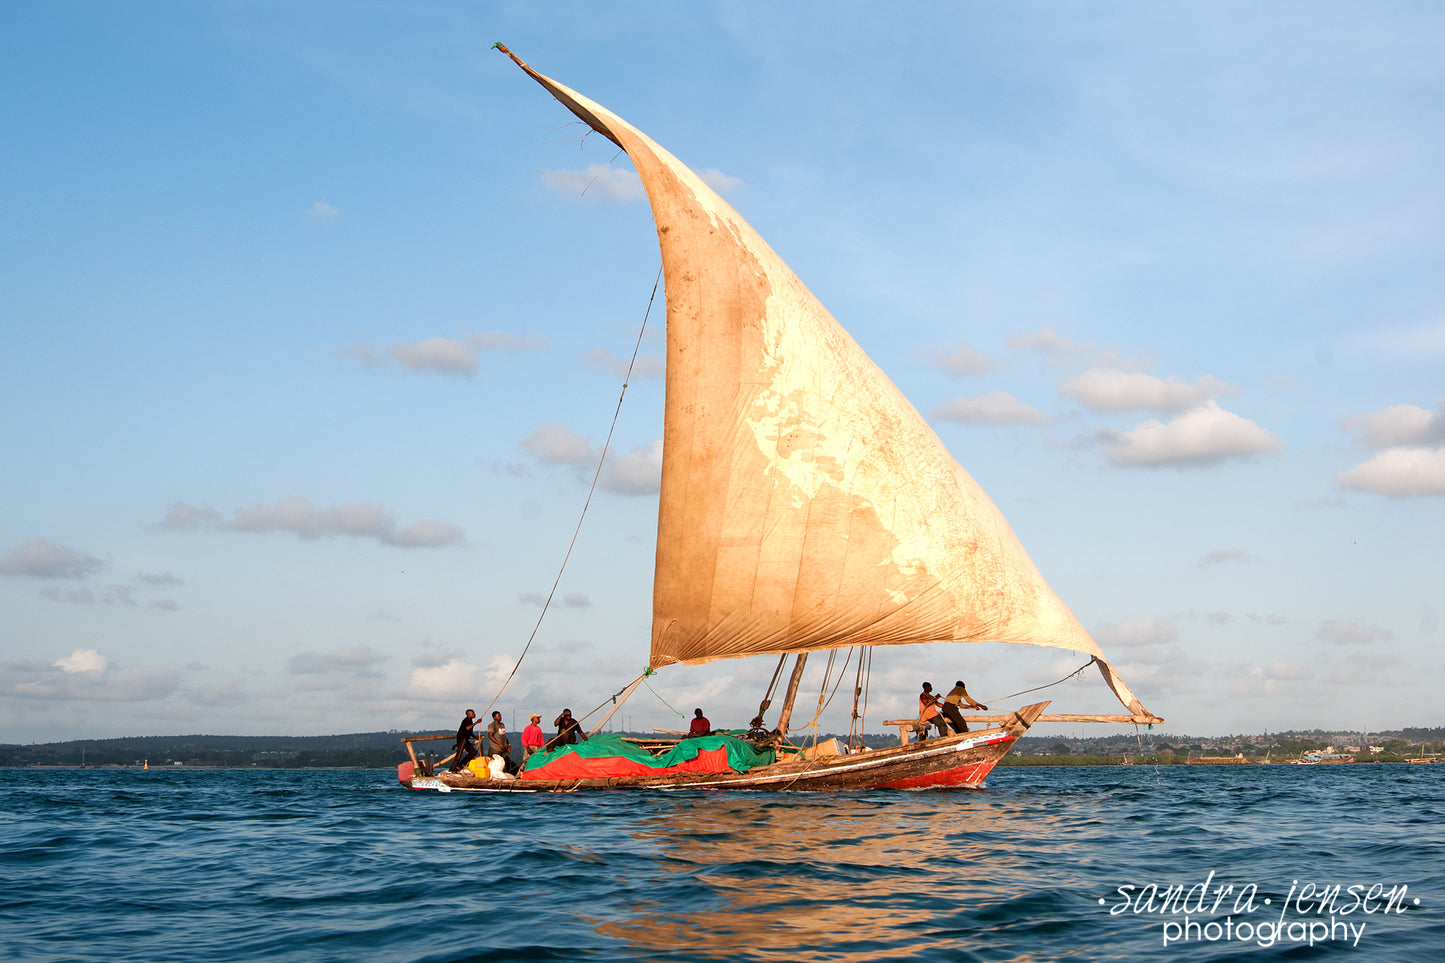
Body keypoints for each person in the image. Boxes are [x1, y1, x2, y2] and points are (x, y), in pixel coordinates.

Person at [486, 710, 518, 775]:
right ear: (494, 717)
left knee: (506, 761)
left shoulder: (501, 725)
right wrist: (499, 743)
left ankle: (507, 774)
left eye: (500, 715)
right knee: (496, 763)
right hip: (495, 748)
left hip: (503, 747)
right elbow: (490, 736)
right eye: (498, 716)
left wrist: (508, 743)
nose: (500, 717)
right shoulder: (492, 725)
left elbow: (503, 735)